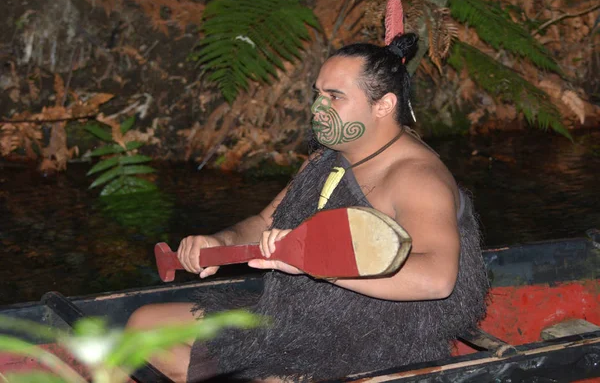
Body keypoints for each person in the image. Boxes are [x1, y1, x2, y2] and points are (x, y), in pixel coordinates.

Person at [126, 33, 489, 382]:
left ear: (384, 105)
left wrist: (316, 263)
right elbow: (266, 221)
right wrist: (218, 242)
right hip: (300, 317)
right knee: (144, 325)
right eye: (317, 94)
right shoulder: (323, 161)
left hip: (371, 341)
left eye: (334, 97)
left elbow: (436, 279)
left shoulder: (417, 177)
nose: (317, 108)